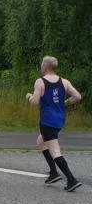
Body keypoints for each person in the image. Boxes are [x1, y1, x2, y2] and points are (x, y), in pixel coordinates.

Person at [26, 55, 83, 191]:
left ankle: (71, 180)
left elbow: (34, 102)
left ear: (45, 66)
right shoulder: (64, 81)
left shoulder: (40, 82)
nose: (41, 66)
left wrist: (28, 96)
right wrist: (65, 103)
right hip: (60, 119)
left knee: (55, 150)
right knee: (41, 141)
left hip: (47, 121)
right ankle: (53, 173)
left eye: (42, 64)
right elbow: (77, 96)